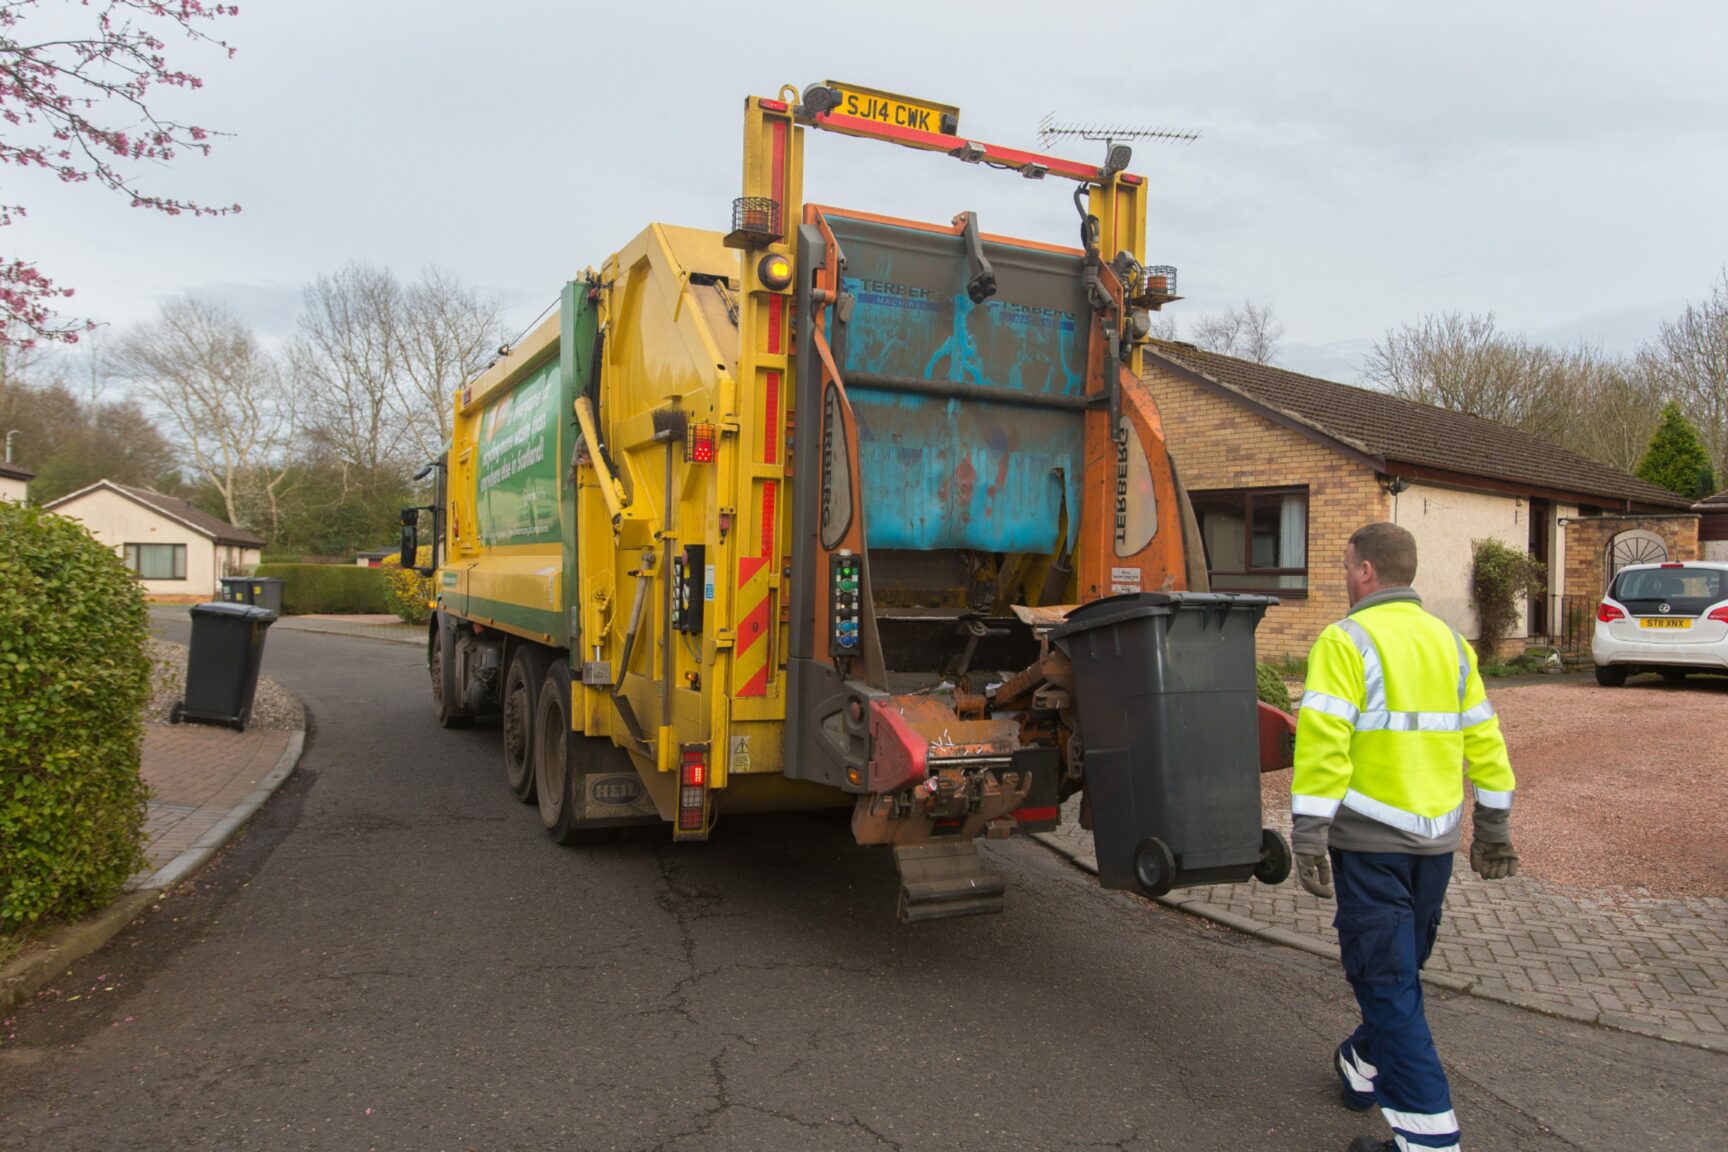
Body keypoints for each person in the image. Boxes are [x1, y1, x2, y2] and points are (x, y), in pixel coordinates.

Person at [1290, 522, 1520, 1152]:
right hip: (1435, 846)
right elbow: (1485, 739)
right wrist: (1493, 824)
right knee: (1398, 974)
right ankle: (1362, 1066)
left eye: (1345, 565)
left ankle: (1428, 1137)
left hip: (1369, 845)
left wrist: (1308, 834)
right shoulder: (1451, 643)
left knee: (1388, 980)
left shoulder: (1346, 640)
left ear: (1365, 570)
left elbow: (1323, 746)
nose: (1343, 575)